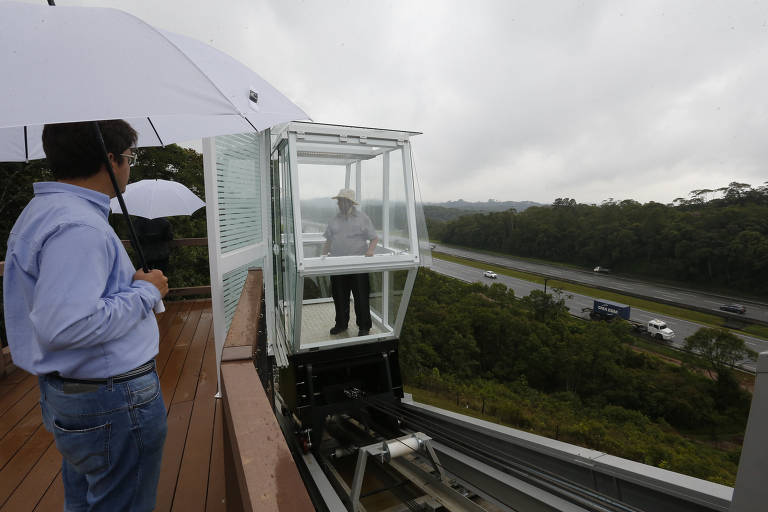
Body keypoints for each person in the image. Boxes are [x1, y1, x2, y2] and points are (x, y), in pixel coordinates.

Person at [3, 120, 169, 512]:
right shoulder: (78, 226)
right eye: (129, 158)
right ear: (110, 160)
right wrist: (146, 292)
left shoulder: (43, 211)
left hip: (78, 392)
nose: (130, 166)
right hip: (113, 398)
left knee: (89, 500)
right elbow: (68, 325)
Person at [322, 189, 379, 336]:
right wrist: (322, 256)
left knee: (361, 297)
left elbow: (374, 238)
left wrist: (370, 251)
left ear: (350, 203)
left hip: (358, 265)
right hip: (338, 264)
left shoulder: (363, 218)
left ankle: (364, 327)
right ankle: (341, 324)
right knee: (339, 296)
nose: (340, 203)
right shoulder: (334, 219)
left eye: (342, 201)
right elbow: (328, 239)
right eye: (339, 201)